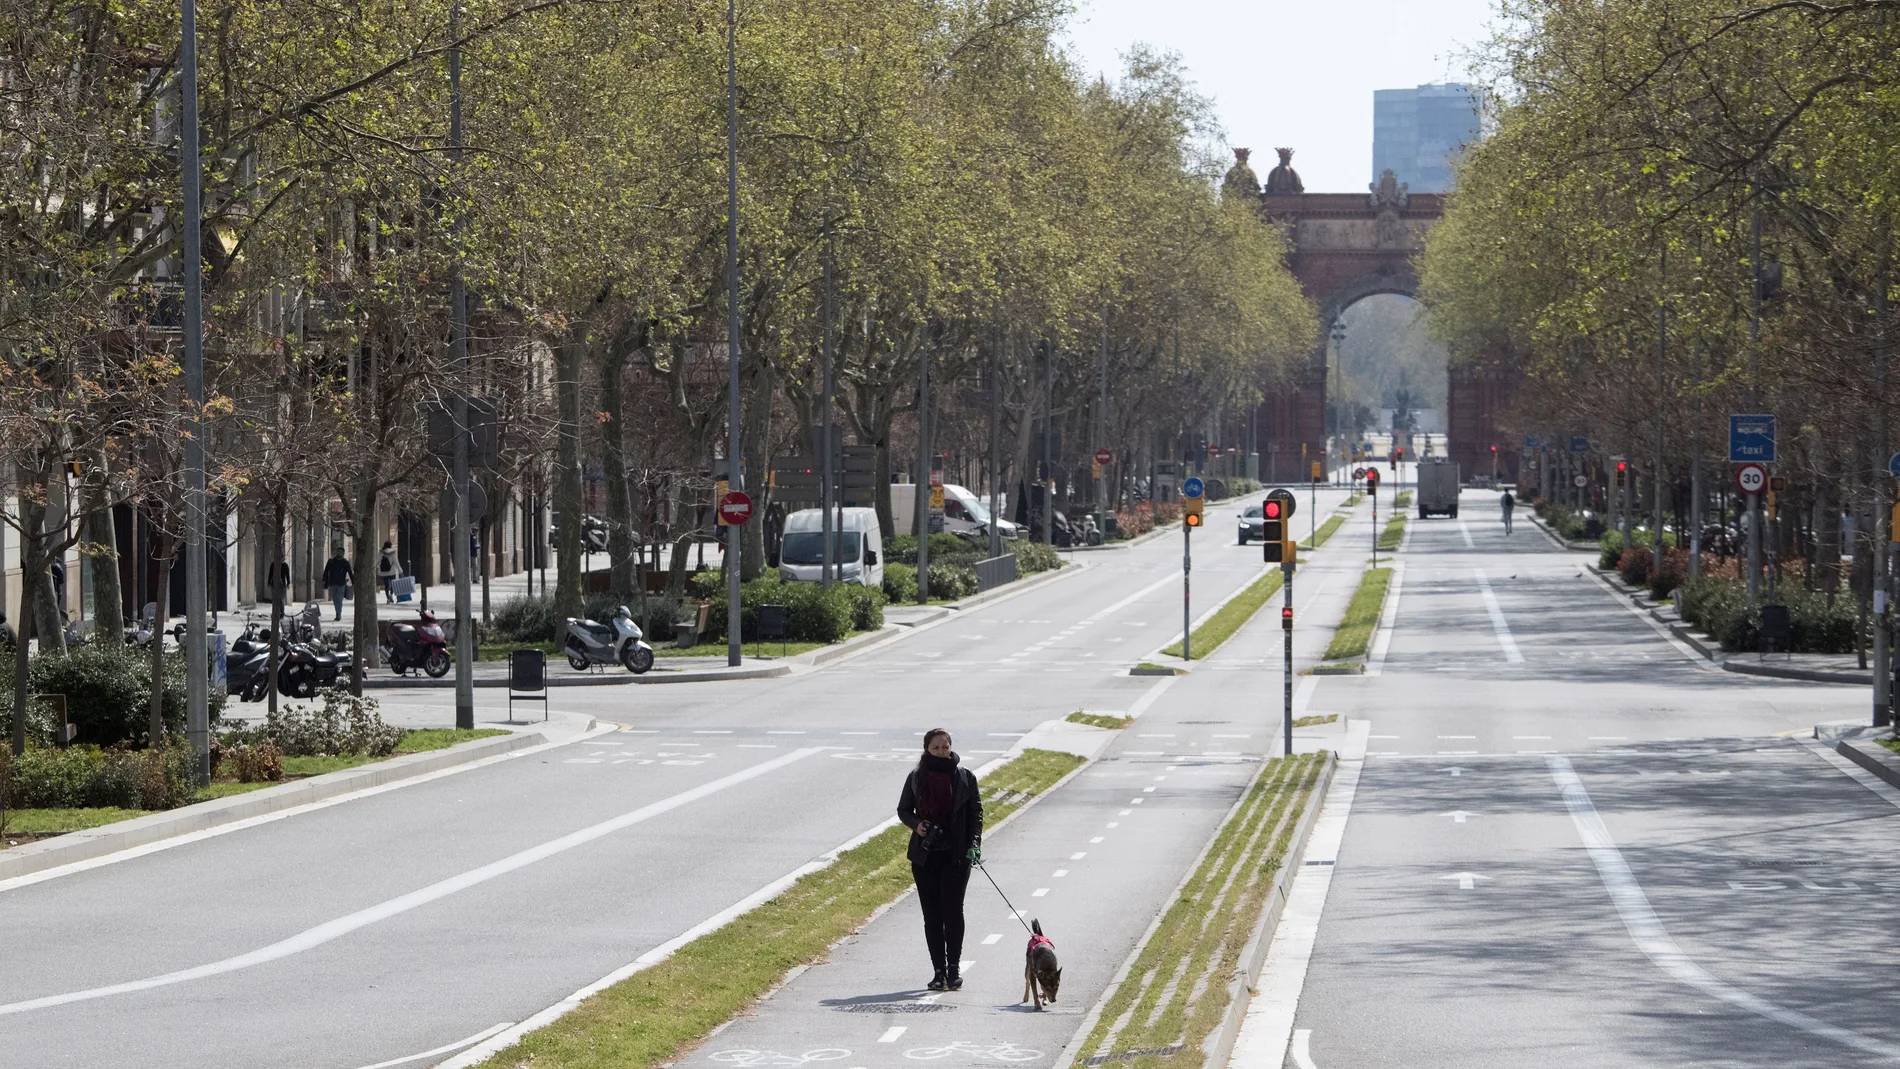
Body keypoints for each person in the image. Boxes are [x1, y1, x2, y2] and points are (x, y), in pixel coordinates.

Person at [896, 728, 983, 992]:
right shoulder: (915, 777)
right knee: (932, 915)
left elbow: (976, 813)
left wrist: (975, 845)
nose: (942, 752)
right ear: (926, 750)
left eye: (945, 747)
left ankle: (954, 969)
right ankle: (938, 971)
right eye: (936, 748)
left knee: (953, 911)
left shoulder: (965, 778)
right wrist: (917, 825)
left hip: (956, 855)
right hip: (925, 856)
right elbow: (903, 810)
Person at [322, 549, 353, 620]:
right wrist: (324, 580)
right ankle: (338, 612)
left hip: (342, 583)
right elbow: (326, 571)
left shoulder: (345, 562)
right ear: (336, 552)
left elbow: (350, 572)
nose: (339, 553)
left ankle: (338, 614)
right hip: (333, 583)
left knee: (339, 599)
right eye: (338, 552)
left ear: (343, 553)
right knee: (335, 599)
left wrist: (353, 581)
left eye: (341, 552)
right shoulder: (331, 561)